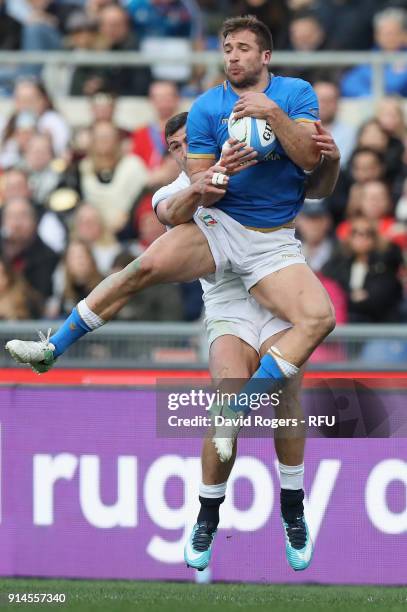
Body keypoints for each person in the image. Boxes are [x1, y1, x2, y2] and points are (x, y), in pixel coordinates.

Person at [6, 15, 337, 569]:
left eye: (242, 48)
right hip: (224, 252)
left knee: (288, 399)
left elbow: (317, 174)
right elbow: (184, 201)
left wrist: (277, 119)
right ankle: (206, 515)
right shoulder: (198, 134)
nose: (232, 56)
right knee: (145, 268)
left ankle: (293, 507)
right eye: (226, 47)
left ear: (265, 56)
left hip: (273, 248)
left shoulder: (294, 95)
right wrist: (211, 177)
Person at [149, 111, 340, 572]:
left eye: (186, 140)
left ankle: (293, 508)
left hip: (276, 295)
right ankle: (207, 515)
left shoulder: (254, 167)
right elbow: (173, 215)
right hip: (228, 306)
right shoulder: (173, 192)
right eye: (174, 145)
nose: (182, 149)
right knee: (227, 394)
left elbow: (315, 185)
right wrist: (204, 184)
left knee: (286, 387)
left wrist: (330, 162)